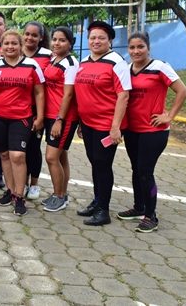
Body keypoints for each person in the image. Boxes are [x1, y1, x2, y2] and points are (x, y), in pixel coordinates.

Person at [118, 32, 186, 232]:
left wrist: (169, 116)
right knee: (136, 169)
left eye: (140, 47)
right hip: (132, 130)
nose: (136, 51)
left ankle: (151, 216)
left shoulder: (160, 67)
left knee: (145, 172)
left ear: (148, 48)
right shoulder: (127, 69)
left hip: (153, 131)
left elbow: (183, 91)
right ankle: (139, 207)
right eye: (132, 47)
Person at [0, 30, 45, 216]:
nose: (10, 47)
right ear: (1, 46)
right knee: (4, 155)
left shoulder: (32, 65)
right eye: (6, 43)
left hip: (21, 118)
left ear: (21, 45)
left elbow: (39, 92)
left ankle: (19, 196)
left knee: (18, 156)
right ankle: (10, 191)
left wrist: (40, 117)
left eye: (14, 43)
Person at [74, 21, 131, 226]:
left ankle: (103, 211)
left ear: (110, 41)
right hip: (88, 124)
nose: (96, 41)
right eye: (92, 37)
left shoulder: (117, 62)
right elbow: (83, 93)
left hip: (106, 125)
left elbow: (123, 95)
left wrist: (116, 127)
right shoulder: (84, 61)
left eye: (101, 38)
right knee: (95, 163)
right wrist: (81, 122)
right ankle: (97, 201)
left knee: (103, 165)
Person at [42, 27, 79, 212]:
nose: (57, 43)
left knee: (51, 157)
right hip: (50, 114)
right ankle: (61, 193)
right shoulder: (54, 59)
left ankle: (59, 197)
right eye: (55, 39)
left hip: (63, 117)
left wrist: (60, 119)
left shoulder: (71, 63)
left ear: (70, 43)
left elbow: (69, 94)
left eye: (62, 40)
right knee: (61, 155)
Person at [21, 21, 52, 200]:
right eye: (27, 34)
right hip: (19, 109)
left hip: (38, 110)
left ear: (41, 37)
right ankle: (22, 183)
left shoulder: (49, 55)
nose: (30, 38)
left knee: (34, 147)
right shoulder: (16, 52)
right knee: (21, 148)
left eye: (34, 35)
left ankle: (34, 184)